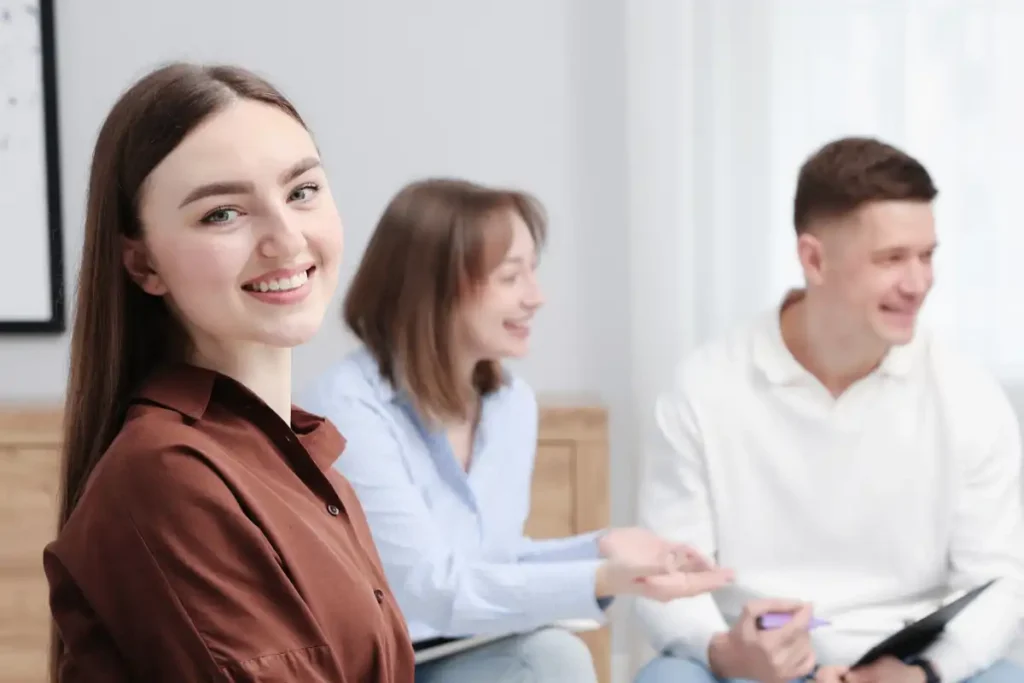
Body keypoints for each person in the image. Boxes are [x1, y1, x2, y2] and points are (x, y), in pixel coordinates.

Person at [43, 63, 414, 682]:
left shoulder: (309, 471)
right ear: (142, 264)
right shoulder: (167, 477)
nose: (286, 239)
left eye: (302, 192)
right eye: (222, 213)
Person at [299, 178, 734, 683]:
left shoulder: (509, 405)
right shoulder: (346, 408)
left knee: (554, 652)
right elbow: (431, 586)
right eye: (511, 277)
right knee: (553, 656)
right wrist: (602, 576)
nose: (536, 297)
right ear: (434, 289)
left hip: (467, 648)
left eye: (533, 272)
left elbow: (490, 559)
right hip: (380, 663)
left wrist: (604, 546)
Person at [632, 136, 1024, 683]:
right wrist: (725, 652)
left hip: (904, 664)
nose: (918, 283)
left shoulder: (967, 395)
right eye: (891, 259)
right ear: (814, 259)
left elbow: (1001, 582)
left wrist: (925, 674)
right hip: (755, 664)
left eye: (927, 255)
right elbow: (664, 580)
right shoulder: (704, 388)